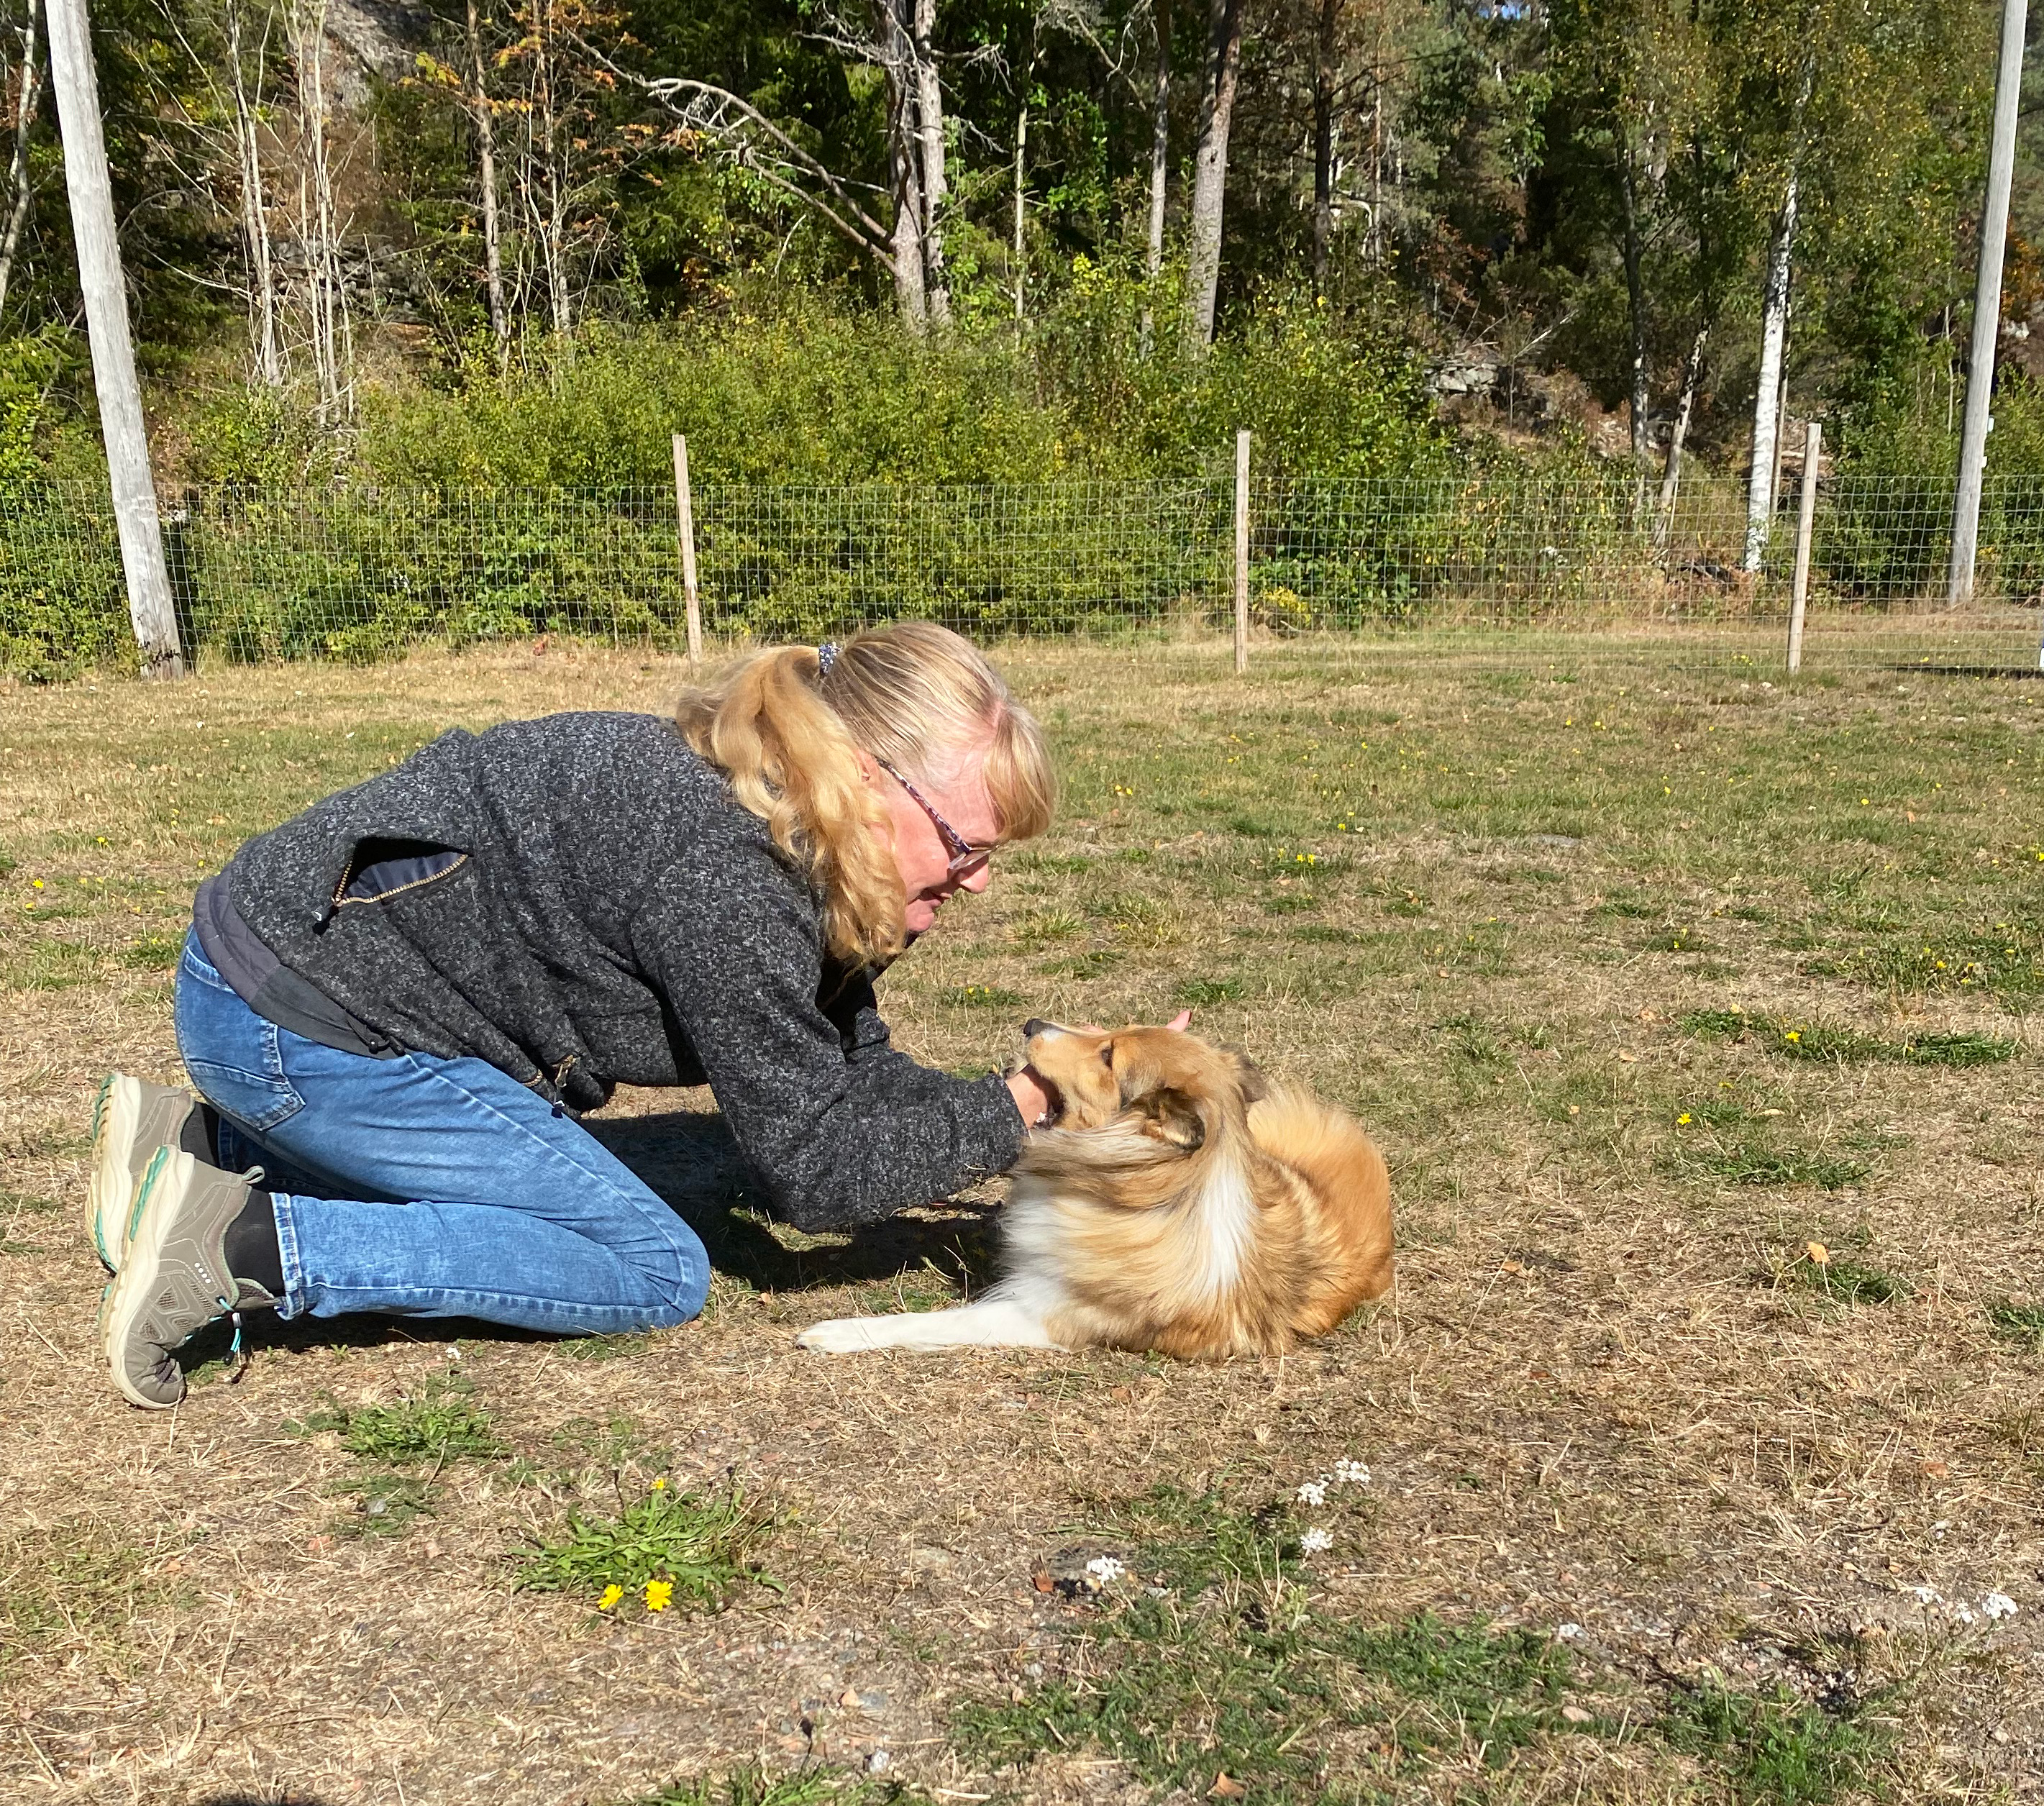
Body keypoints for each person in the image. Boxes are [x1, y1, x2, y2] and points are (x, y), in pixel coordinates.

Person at [89, 624, 1063, 1410]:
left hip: (267, 982)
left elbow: (851, 1066)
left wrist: (1043, 1111)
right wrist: (1018, 1111)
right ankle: (242, 1241)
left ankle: (202, 1145)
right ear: (867, 774)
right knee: (646, 1267)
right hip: (296, 1024)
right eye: (965, 845)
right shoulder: (732, 877)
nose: (977, 881)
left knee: (578, 1216)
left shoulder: (791, 822)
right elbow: (812, 1172)